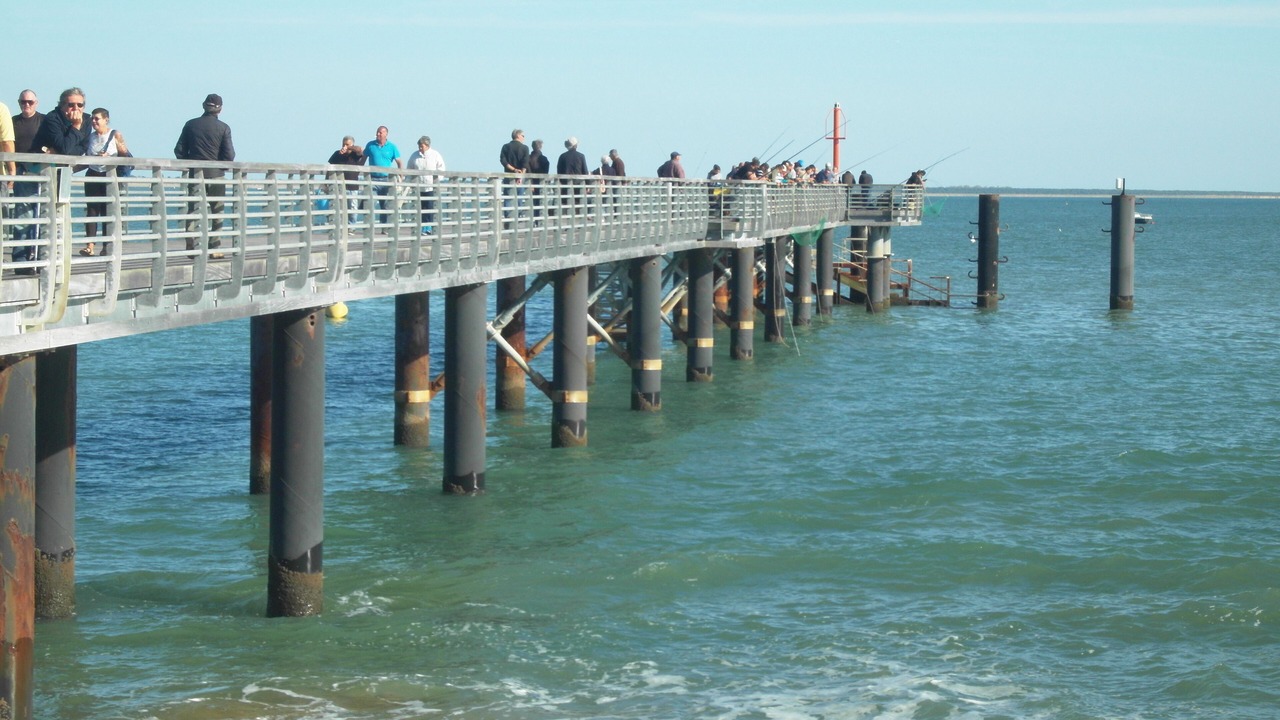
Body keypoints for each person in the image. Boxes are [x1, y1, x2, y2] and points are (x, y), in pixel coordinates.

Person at [174, 93, 235, 250]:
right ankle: (214, 247)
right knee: (217, 211)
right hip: (216, 175)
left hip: (196, 174)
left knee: (193, 208)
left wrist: (192, 161)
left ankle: (191, 240)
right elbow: (229, 155)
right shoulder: (223, 128)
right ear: (220, 109)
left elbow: (179, 151)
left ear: (203, 106)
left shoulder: (190, 125)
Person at [81, 108, 128, 256]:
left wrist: (109, 156)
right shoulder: (90, 137)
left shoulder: (115, 134)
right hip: (93, 174)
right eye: (92, 119)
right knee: (92, 211)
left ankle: (107, 246)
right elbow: (84, 159)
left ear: (106, 119)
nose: (94, 121)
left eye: (97, 119)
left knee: (108, 211)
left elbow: (125, 156)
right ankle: (90, 246)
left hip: (109, 174)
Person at [11, 90, 45, 271]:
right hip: (21, 173)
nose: (27, 105)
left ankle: (40, 259)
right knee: (22, 218)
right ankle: (20, 260)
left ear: (36, 103)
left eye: (30, 102)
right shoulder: (13, 122)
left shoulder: (45, 121)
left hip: (42, 174)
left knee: (42, 218)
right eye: (23, 102)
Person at [363, 125, 401, 231]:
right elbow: (363, 159)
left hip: (386, 179)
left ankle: (385, 228)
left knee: (386, 206)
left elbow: (399, 161)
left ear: (386, 134)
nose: (378, 134)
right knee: (370, 203)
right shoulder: (370, 145)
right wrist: (358, 171)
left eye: (380, 132)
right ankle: (368, 228)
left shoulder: (392, 146)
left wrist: (401, 175)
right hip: (373, 179)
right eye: (377, 132)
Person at [405, 135, 445, 233]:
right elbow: (409, 169)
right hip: (418, 186)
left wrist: (436, 179)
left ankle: (429, 227)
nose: (420, 148)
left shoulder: (435, 154)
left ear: (427, 146)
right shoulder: (414, 155)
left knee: (429, 206)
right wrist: (408, 182)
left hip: (430, 186)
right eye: (419, 146)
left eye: (422, 146)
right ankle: (422, 226)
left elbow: (441, 169)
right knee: (420, 207)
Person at [327, 135, 364, 215]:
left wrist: (349, 148)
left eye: (347, 144)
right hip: (339, 187)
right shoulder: (337, 154)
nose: (344, 146)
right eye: (343, 144)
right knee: (339, 209)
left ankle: (352, 227)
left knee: (353, 210)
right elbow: (329, 168)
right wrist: (326, 183)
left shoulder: (355, 154)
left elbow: (360, 149)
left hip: (352, 187)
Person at [499, 129, 529, 223]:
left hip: (508, 175)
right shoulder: (524, 148)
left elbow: (503, 161)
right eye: (523, 136)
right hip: (519, 176)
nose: (524, 138)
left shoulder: (505, 147)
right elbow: (525, 163)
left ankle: (508, 217)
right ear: (518, 136)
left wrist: (512, 169)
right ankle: (518, 217)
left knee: (508, 196)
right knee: (519, 196)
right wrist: (520, 175)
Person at [557, 136, 587, 214]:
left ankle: (566, 219)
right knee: (578, 203)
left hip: (565, 184)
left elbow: (559, 171)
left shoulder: (562, 156)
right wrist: (587, 185)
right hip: (578, 184)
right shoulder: (581, 156)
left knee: (566, 203)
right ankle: (579, 219)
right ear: (576, 145)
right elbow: (585, 172)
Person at [527, 138, 549, 218]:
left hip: (530, 183)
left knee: (531, 202)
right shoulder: (544, 159)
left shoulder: (528, 158)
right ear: (541, 147)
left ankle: (532, 218)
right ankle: (539, 219)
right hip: (541, 182)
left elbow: (527, 171)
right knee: (541, 201)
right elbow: (546, 173)